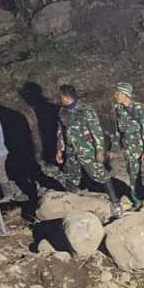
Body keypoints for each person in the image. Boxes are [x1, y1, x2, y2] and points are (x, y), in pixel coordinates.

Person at [56, 84, 121, 219]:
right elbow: (60, 131)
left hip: (87, 150)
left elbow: (97, 132)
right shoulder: (62, 112)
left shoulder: (86, 110)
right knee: (71, 175)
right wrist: (60, 149)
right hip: (71, 150)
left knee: (100, 174)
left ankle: (115, 203)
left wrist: (99, 151)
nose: (59, 99)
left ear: (67, 97)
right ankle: (70, 204)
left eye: (61, 96)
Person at [112, 82, 144, 210]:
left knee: (136, 174)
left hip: (139, 147)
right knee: (132, 173)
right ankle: (138, 199)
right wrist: (115, 147)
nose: (115, 95)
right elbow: (117, 130)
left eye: (118, 93)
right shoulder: (118, 109)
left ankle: (140, 200)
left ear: (125, 95)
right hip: (128, 147)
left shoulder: (141, 109)